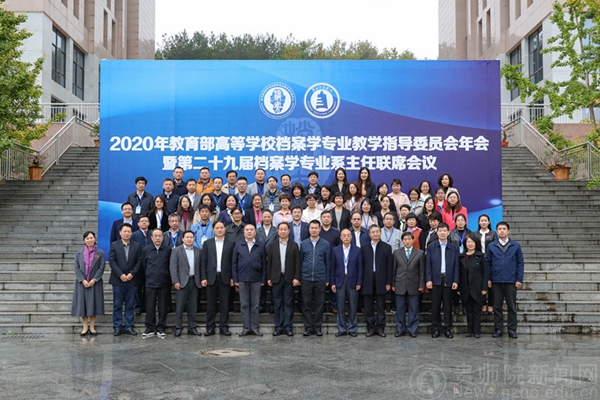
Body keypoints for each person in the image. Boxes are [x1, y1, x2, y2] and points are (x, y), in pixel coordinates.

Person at [487, 221, 524, 339]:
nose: (502, 231)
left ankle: (512, 330)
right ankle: (498, 329)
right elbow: (488, 263)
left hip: (511, 281)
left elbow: (520, 263)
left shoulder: (516, 246)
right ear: (497, 231)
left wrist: (519, 279)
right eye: (499, 229)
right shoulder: (492, 246)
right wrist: (488, 278)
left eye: (504, 229)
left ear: (508, 231)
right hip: (496, 281)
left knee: (511, 307)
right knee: (497, 307)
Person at [201, 221, 235, 336]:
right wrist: (203, 277)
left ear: (225, 229)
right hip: (211, 277)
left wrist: (233, 277)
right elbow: (203, 262)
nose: (219, 230)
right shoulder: (207, 243)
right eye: (217, 228)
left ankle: (223, 327)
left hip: (225, 277)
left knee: (225, 304)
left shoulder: (231, 243)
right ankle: (210, 327)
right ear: (213, 230)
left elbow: (233, 262)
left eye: (221, 227)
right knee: (211, 304)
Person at [425, 222, 460, 339]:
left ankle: (447, 329)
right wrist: (428, 279)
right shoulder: (431, 246)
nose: (442, 233)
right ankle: (435, 328)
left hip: (448, 279)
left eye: (445, 231)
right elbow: (428, 264)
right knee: (435, 306)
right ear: (437, 232)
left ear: (448, 232)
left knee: (448, 306)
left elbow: (456, 265)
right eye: (440, 231)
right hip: (435, 279)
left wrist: (456, 280)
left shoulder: (453, 247)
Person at [267, 222, 301, 336]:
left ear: (289, 231)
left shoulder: (294, 245)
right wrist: (269, 277)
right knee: (277, 303)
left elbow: (297, 263)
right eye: (281, 229)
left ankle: (288, 327)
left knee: (288, 303)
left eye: (285, 229)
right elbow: (269, 262)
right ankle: (278, 326)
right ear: (278, 231)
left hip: (289, 278)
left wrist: (296, 277)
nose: (283, 231)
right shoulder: (272, 245)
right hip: (276, 278)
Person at [232, 224, 267, 336]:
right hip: (242, 279)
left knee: (255, 305)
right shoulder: (238, 245)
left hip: (256, 279)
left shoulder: (260, 245)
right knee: (244, 305)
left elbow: (264, 264)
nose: (249, 232)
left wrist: (263, 279)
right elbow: (234, 263)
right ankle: (246, 328)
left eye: (251, 230)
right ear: (244, 232)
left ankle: (255, 328)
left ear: (255, 232)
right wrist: (235, 279)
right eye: (247, 230)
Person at [109, 224, 142, 336]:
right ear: (120, 232)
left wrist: (132, 274)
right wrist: (121, 275)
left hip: (132, 280)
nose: (127, 233)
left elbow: (139, 261)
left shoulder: (137, 245)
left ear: (132, 233)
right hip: (118, 280)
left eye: (129, 231)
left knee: (130, 305)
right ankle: (117, 326)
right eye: (125, 231)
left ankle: (129, 326)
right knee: (117, 305)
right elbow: (112, 262)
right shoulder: (114, 245)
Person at [71, 231, 105, 336]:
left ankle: (92, 327)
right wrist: (83, 280)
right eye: (87, 238)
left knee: (94, 304)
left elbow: (101, 267)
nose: (89, 240)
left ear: (95, 239)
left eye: (91, 238)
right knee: (83, 305)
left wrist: (94, 279)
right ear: (84, 240)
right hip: (82, 283)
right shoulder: (79, 253)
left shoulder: (100, 253)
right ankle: (85, 327)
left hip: (95, 283)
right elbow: (76, 268)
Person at [361, 225, 392, 337]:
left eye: (377, 232)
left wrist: (388, 282)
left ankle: (380, 328)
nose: (375, 234)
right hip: (367, 279)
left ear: (380, 233)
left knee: (380, 305)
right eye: (373, 232)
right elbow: (361, 265)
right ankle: (370, 328)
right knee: (368, 305)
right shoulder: (364, 247)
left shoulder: (387, 247)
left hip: (381, 279)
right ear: (369, 234)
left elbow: (390, 266)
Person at [300, 220, 330, 336]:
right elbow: (301, 261)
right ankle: (308, 327)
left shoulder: (325, 244)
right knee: (306, 304)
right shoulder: (303, 244)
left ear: (319, 229)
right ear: (309, 229)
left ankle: (317, 327)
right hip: (306, 278)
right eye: (312, 228)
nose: (314, 230)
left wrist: (327, 278)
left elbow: (328, 262)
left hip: (320, 278)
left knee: (319, 304)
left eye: (316, 228)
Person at [169, 230, 202, 337]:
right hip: (181, 282)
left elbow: (201, 267)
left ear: (194, 239)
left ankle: (192, 327)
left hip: (194, 281)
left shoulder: (198, 251)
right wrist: (175, 281)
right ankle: (178, 327)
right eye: (187, 237)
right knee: (180, 306)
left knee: (193, 306)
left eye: (191, 237)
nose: (189, 239)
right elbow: (173, 267)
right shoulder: (176, 251)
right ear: (183, 239)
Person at [392, 231, 425, 338]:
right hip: (400, 284)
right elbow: (394, 269)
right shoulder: (396, 253)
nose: (407, 241)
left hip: (414, 284)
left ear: (413, 240)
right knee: (400, 309)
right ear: (402, 241)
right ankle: (400, 329)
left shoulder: (419, 253)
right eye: (405, 239)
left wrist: (421, 285)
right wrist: (393, 283)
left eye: (409, 239)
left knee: (413, 309)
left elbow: (422, 271)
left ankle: (412, 329)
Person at [330, 229, 363, 337]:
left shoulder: (357, 250)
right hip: (339, 280)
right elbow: (332, 267)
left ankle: (352, 328)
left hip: (353, 280)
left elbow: (360, 267)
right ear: (340, 237)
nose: (346, 237)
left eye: (348, 235)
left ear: (351, 237)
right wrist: (332, 282)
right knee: (340, 306)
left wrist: (359, 282)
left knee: (353, 306)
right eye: (344, 235)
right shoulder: (335, 250)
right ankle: (342, 328)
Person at [141, 229, 172, 338]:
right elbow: (143, 265)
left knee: (163, 306)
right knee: (150, 306)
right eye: (155, 236)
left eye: (159, 236)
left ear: (163, 237)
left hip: (164, 282)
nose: (157, 238)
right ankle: (149, 328)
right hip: (150, 282)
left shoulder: (168, 250)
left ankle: (161, 327)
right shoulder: (146, 250)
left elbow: (170, 265)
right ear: (151, 237)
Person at [459, 233, 488, 338]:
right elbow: (458, 273)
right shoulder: (461, 256)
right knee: (468, 310)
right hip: (465, 286)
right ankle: (469, 331)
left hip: (477, 287)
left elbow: (485, 273)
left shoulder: (480, 256)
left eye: (472, 242)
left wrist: (484, 287)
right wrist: (458, 287)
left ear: (476, 243)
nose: (470, 244)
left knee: (476, 310)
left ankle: (477, 331)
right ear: (465, 244)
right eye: (468, 242)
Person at [474, 214, 498, 315]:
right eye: (481, 221)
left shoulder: (493, 234)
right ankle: (483, 304)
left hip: (490, 260)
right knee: (481, 282)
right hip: (479, 260)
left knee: (490, 282)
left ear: (489, 222)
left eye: (485, 221)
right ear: (479, 222)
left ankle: (491, 304)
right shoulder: (475, 234)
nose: (483, 222)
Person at [319, 210, 341, 313]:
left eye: (328, 217)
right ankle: (322, 304)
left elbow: (339, 247)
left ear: (332, 219)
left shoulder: (336, 232)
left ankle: (333, 305)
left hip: (333, 261)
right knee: (321, 285)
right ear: (321, 219)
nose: (326, 219)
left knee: (333, 283)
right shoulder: (318, 231)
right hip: (320, 261)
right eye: (324, 217)